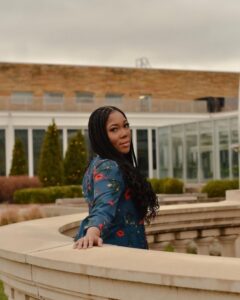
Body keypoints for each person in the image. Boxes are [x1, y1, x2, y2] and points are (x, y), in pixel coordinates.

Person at [73, 106, 159, 250]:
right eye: (114, 129)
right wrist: (93, 231)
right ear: (101, 136)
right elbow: (103, 205)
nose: (124, 133)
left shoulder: (96, 163)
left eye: (125, 126)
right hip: (121, 251)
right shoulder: (109, 167)